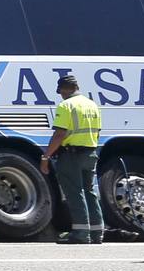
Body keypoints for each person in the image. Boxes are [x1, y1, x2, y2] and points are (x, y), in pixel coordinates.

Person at [40, 73, 105, 245]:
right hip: (90, 153)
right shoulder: (92, 105)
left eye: (60, 91)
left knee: (75, 192)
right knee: (89, 191)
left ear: (65, 89)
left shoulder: (66, 106)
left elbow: (60, 134)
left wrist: (46, 157)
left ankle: (81, 233)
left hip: (71, 155)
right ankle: (97, 233)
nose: (60, 94)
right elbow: (97, 132)